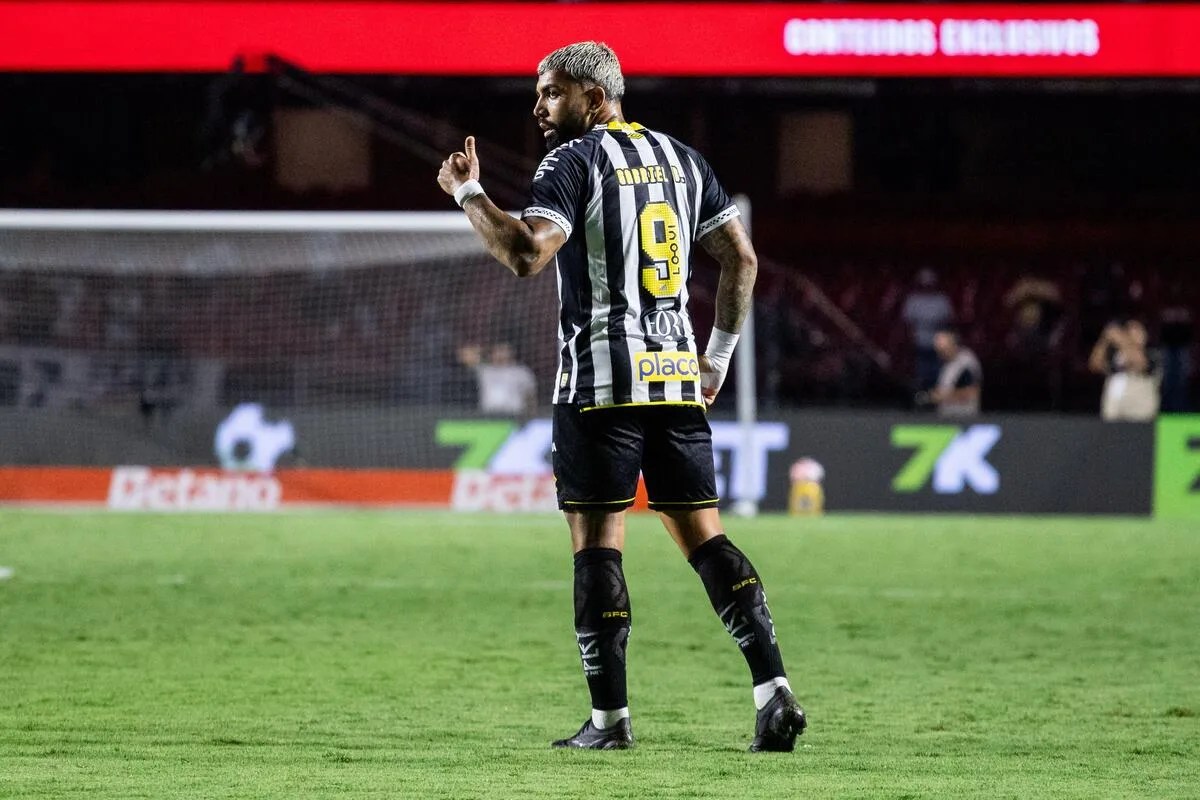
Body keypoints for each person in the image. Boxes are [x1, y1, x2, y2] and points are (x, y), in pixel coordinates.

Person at [436, 41, 805, 752]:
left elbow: (525, 253)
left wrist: (468, 194)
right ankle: (773, 689)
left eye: (552, 92)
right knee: (706, 538)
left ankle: (609, 722)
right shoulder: (684, 160)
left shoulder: (572, 162)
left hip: (600, 387)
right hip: (676, 382)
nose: (539, 108)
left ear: (595, 98)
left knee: (597, 545)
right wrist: (715, 360)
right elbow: (742, 258)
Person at [1089, 319, 1160, 421]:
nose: (1132, 336)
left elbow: (1139, 363)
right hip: (1114, 412)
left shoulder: (1152, 354)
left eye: (1137, 331)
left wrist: (1121, 340)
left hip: (1140, 414)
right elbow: (1095, 365)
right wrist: (1105, 340)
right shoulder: (1116, 356)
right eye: (1129, 331)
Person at [901, 267, 953, 392]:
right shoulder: (913, 300)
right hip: (919, 341)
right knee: (921, 371)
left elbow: (948, 322)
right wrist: (911, 340)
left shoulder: (941, 300)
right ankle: (920, 396)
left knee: (937, 372)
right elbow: (908, 323)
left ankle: (936, 396)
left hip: (937, 342)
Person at [918, 327, 982, 417]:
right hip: (947, 416)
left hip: (964, 417)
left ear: (952, 345)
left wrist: (941, 396)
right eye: (939, 350)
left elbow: (972, 393)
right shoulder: (947, 363)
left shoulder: (966, 362)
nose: (940, 354)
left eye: (943, 350)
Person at [474, 342, 537, 415]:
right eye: (496, 351)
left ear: (511, 352)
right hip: (488, 416)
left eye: (503, 350)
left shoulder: (521, 372)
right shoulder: (484, 371)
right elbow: (469, 357)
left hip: (515, 415)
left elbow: (530, 396)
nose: (500, 354)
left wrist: (532, 415)